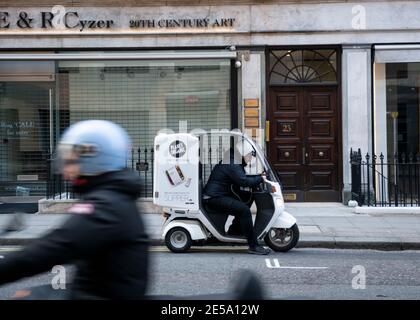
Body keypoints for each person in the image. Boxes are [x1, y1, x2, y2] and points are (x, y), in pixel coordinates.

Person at [0, 120, 149, 299]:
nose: (65, 171)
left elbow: (51, 249)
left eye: (70, 161)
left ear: (92, 158)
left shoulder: (104, 207)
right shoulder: (114, 197)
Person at [203, 139, 270, 255]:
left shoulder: (233, 160)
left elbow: (241, 177)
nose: (251, 158)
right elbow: (243, 181)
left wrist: (259, 177)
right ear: (244, 154)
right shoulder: (232, 163)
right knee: (244, 210)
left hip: (219, 194)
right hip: (214, 197)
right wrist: (260, 178)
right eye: (250, 155)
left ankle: (235, 231)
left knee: (247, 197)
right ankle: (253, 246)